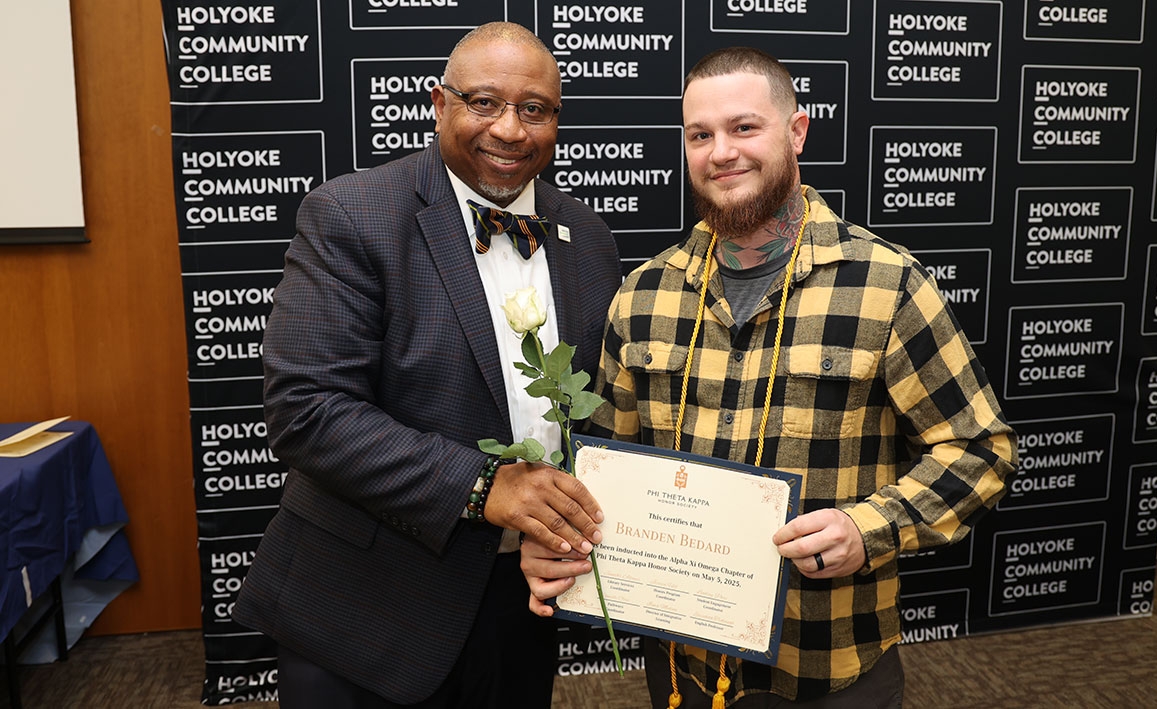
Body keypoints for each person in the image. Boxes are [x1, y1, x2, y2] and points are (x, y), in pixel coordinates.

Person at [520, 47, 1017, 707]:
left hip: (828, 664)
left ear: (796, 130)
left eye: (743, 127)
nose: (720, 151)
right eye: (700, 134)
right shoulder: (644, 294)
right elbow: (604, 466)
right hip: (681, 662)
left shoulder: (887, 284)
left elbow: (980, 450)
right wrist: (560, 543)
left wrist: (866, 527)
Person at [231, 22, 622, 708]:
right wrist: (481, 486)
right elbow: (307, 411)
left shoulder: (587, 237)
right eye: (483, 102)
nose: (508, 129)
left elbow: (595, 409)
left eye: (533, 109)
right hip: (365, 610)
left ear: (555, 121)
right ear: (439, 104)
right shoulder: (351, 214)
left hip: (521, 603)